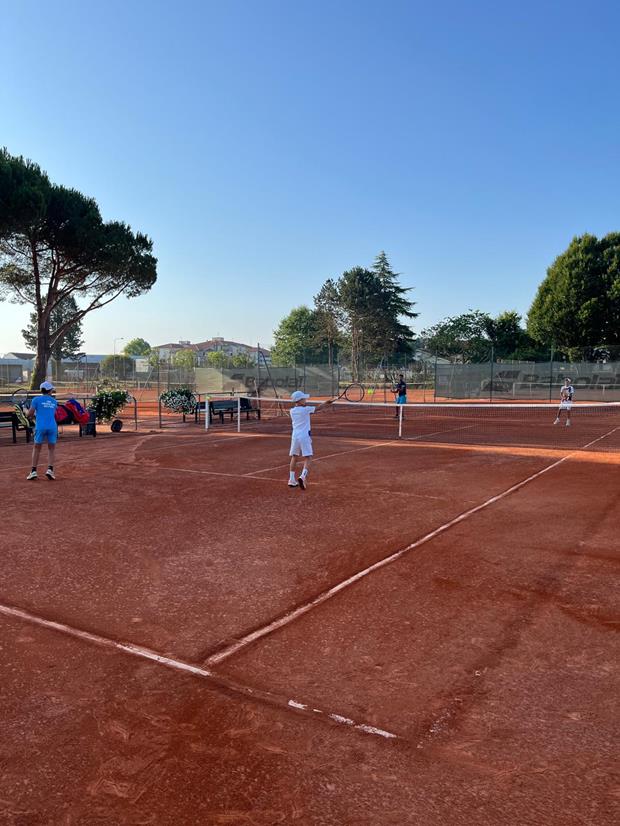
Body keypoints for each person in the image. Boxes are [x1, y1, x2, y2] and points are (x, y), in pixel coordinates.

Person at [288, 390, 334, 489]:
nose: (306, 400)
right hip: (304, 436)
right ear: (299, 401)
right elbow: (318, 408)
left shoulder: (291, 411)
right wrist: (327, 403)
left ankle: (291, 479)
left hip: (295, 436)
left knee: (294, 456)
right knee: (308, 457)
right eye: (304, 399)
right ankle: (303, 476)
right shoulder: (305, 410)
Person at [26, 381, 58, 480]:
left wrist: (24, 410)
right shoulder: (54, 401)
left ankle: (33, 471)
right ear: (49, 390)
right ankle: (50, 470)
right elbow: (49, 413)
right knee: (51, 449)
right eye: (51, 389)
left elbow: (29, 414)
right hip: (52, 427)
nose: (52, 390)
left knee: (36, 448)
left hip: (40, 427)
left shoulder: (36, 399)